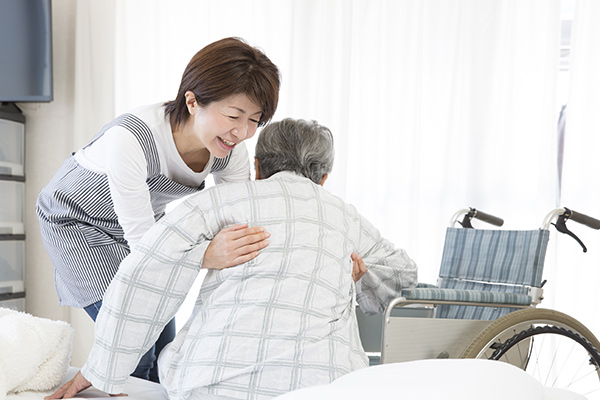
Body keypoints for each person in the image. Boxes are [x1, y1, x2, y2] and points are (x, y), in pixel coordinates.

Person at [47, 118, 418, 400]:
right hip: (323, 383)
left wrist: (98, 371)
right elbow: (404, 275)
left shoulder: (221, 201)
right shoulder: (343, 215)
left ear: (257, 167)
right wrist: (359, 276)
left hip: (210, 382)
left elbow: (144, 274)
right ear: (324, 179)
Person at [35, 37, 280, 383]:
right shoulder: (131, 138)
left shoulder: (229, 150)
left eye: (255, 120)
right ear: (192, 101)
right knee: (135, 343)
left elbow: (240, 221)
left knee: (166, 351)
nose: (242, 132)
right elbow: (145, 247)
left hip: (143, 227)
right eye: (233, 115)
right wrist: (203, 255)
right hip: (76, 222)